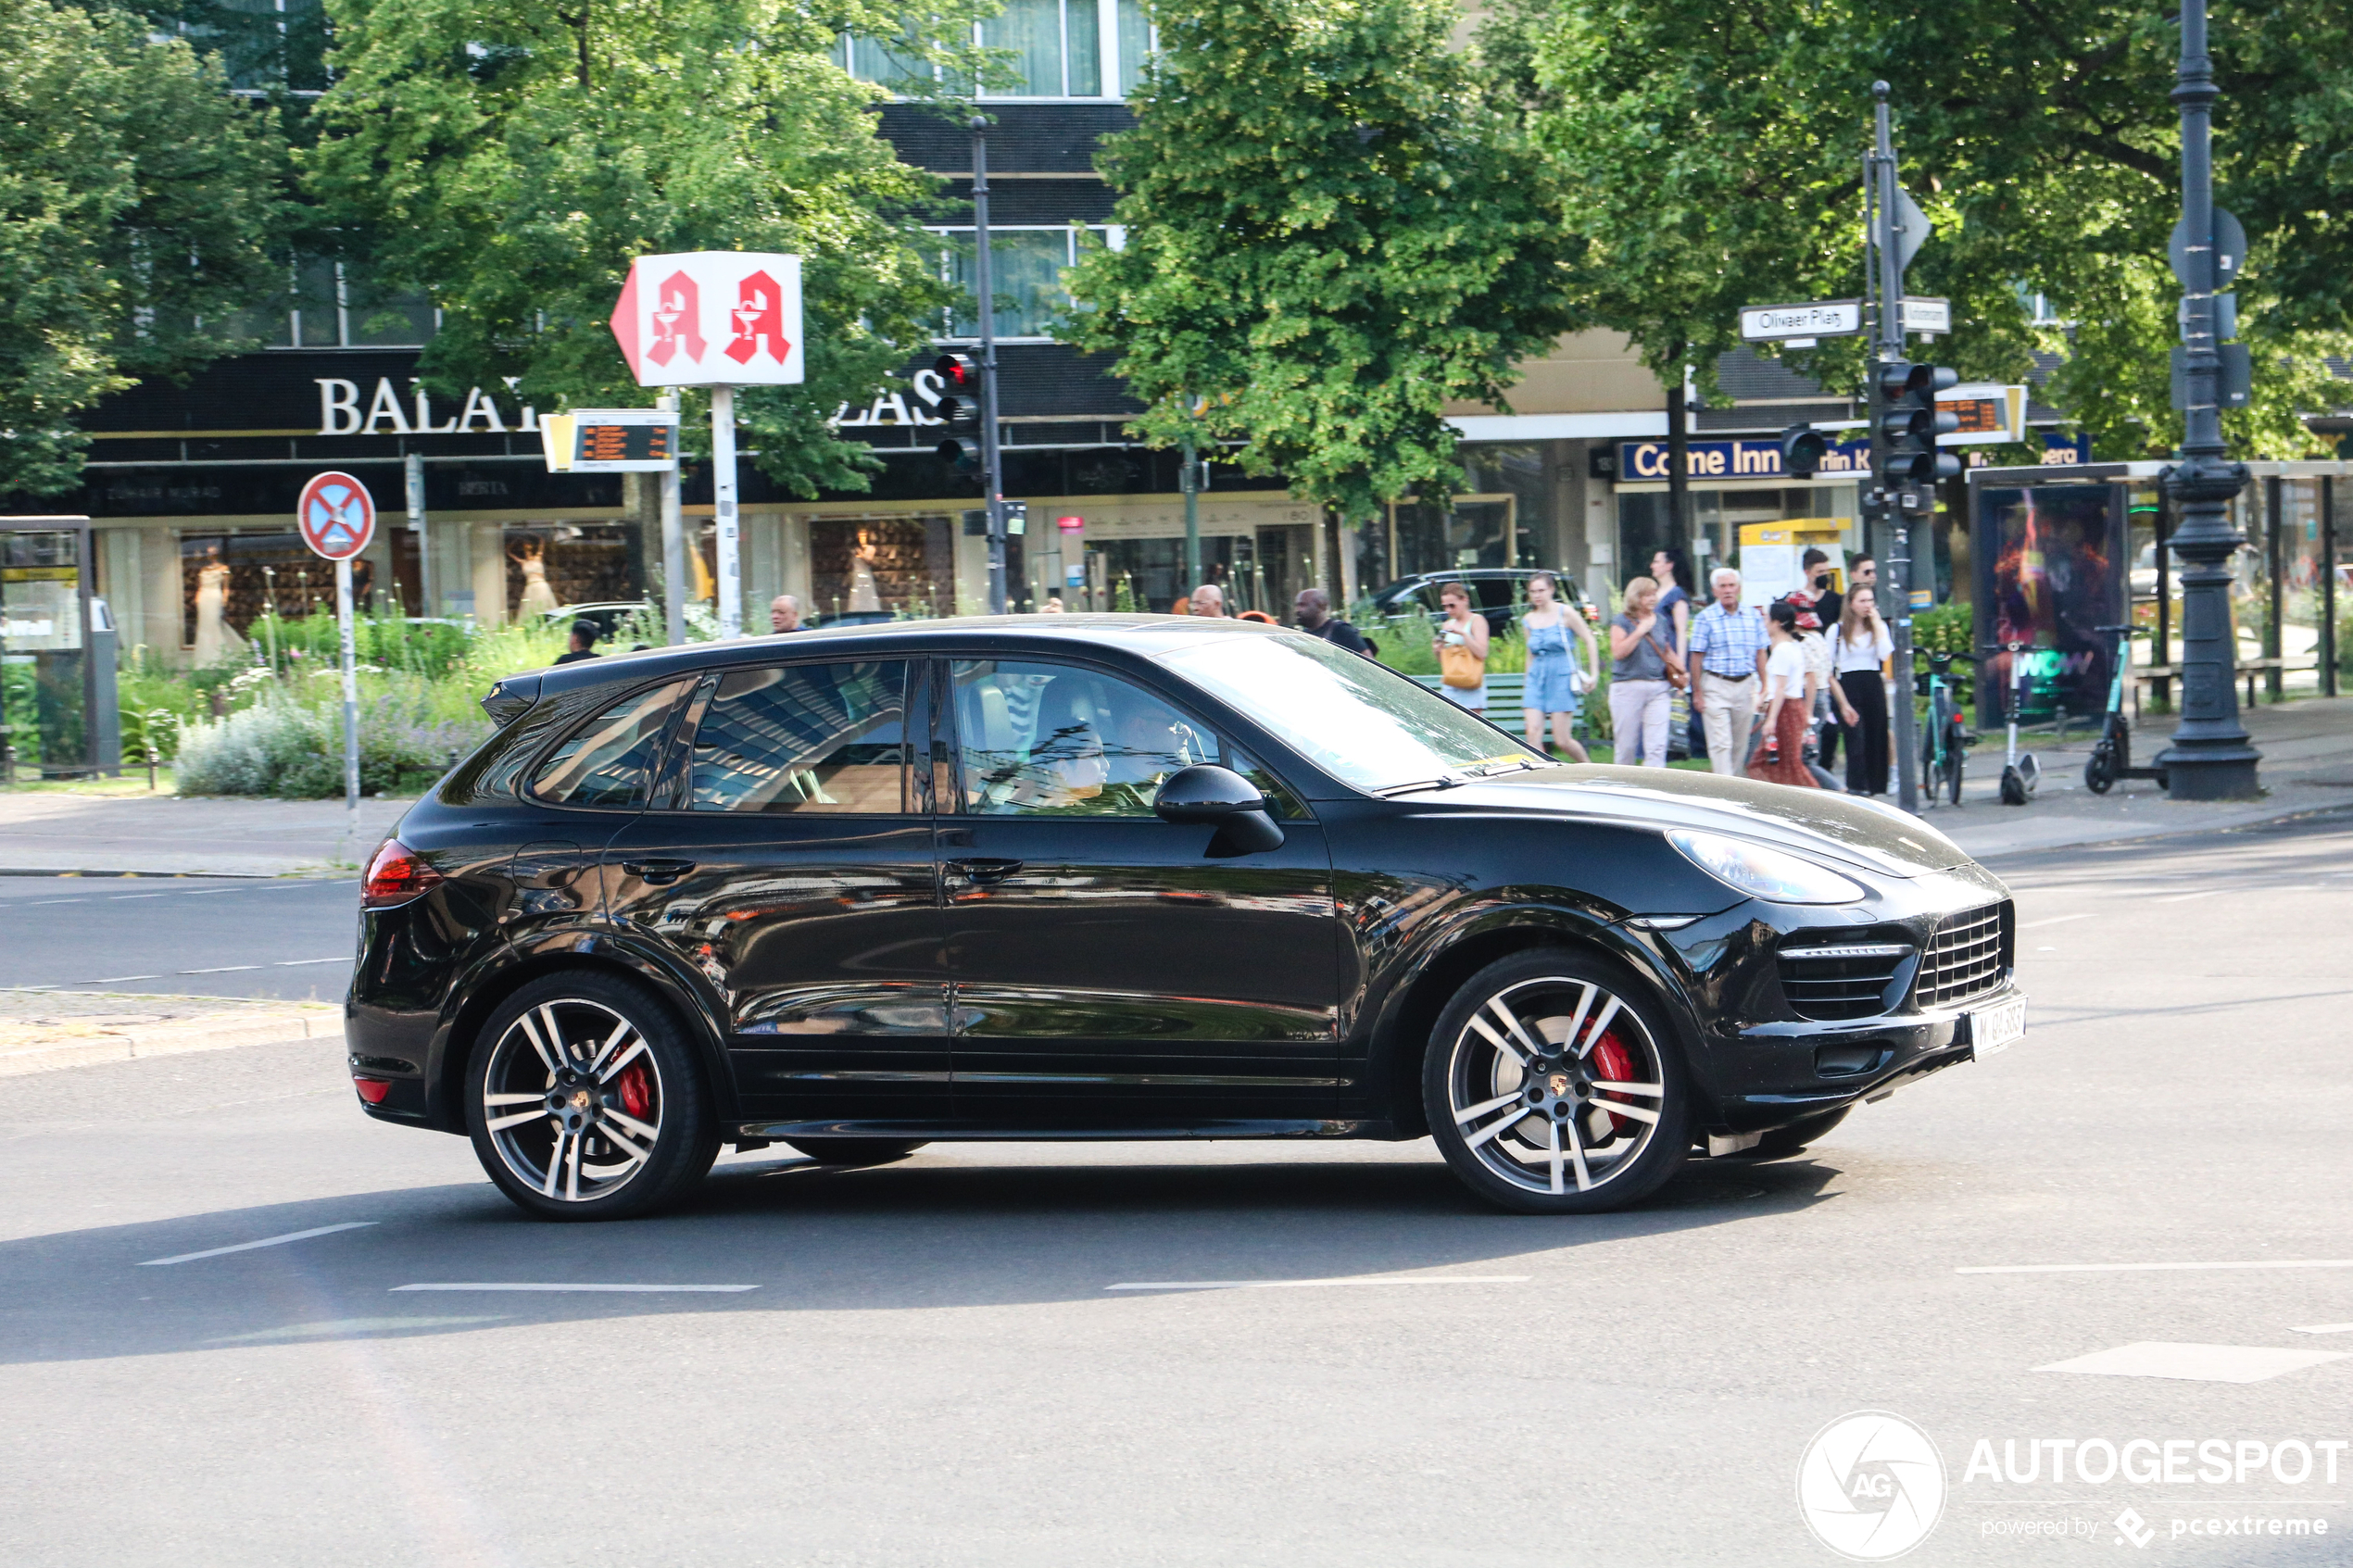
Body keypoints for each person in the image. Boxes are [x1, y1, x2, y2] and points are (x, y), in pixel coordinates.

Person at [1687, 567, 1769, 774]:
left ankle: (1733, 789)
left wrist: (1766, 685)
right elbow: (1696, 656)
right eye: (1722, 586)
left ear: (1739, 588)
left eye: (1731, 585)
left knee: (1740, 744)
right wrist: (1697, 691)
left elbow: (1760, 653)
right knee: (1720, 743)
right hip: (1716, 684)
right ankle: (1722, 789)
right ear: (1714, 591)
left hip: (1745, 685)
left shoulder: (1753, 616)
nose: (1727, 590)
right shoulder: (1705, 618)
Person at [1520, 571, 1599, 762]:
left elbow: (1589, 639)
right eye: (1533, 591)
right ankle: (1543, 779)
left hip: (1561, 675)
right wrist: (1527, 682)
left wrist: (1594, 674)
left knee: (1562, 740)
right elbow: (1530, 655)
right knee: (1533, 733)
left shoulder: (1565, 613)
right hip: (1537, 677)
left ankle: (1589, 769)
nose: (1537, 595)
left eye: (1541, 590)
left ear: (1551, 590)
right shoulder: (1528, 619)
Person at [1831, 583, 1895, 796]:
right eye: (1862, 601)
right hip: (1848, 683)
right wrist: (1842, 703)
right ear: (1851, 604)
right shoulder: (1837, 630)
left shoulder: (1878, 628)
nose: (1868, 605)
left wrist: (1877, 624)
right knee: (1855, 739)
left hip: (1872, 682)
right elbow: (1828, 667)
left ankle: (1875, 786)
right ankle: (1857, 786)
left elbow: (1885, 655)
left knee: (1876, 736)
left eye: (1870, 600)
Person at [1607, 575, 1678, 768]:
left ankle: (1653, 789)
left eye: (1654, 594)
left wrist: (1681, 671)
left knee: (1657, 746)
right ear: (1635, 597)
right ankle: (1623, 788)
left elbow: (1666, 649)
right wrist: (1639, 631)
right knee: (1626, 746)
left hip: (1658, 688)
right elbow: (1618, 652)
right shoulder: (1621, 620)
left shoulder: (1661, 620)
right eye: (1647, 595)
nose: (1653, 598)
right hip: (1627, 687)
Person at [1746, 601, 1818, 787]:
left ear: (1776, 623)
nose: (1765, 623)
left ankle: (1815, 799)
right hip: (1792, 707)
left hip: (1786, 710)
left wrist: (1771, 719)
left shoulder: (1782, 651)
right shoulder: (1793, 647)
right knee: (1782, 762)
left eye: (1767, 619)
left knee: (1784, 763)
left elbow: (1780, 688)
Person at [1431, 581, 1490, 710]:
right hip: (1452, 683)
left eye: (1452, 605)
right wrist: (1437, 650)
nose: (1448, 610)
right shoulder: (1447, 625)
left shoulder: (1477, 621)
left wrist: (1464, 635)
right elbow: (1443, 660)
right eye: (1445, 606)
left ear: (1464, 600)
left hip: (1471, 684)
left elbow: (1482, 653)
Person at [1292, 587, 1370, 654]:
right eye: (1297, 605)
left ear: (1321, 606)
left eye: (1303, 605)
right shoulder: (1304, 635)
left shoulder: (1341, 631)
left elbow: (1369, 663)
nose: (1298, 610)